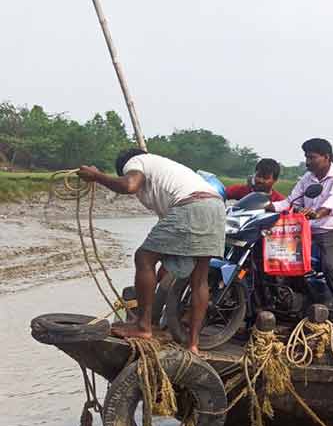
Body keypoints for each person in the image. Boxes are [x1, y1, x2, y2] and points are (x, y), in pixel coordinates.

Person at [76, 149, 225, 353]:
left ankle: (143, 326)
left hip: (191, 205)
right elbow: (171, 234)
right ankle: (192, 344)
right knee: (199, 278)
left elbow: (129, 185)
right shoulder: (165, 170)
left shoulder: (136, 162)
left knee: (144, 258)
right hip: (216, 207)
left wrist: (97, 176)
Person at [271, 138, 333, 330]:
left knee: (330, 266)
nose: (308, 162)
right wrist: (265, 206)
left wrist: (318, 213)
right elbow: (290, 201)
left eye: (312, 157)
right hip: (307, 230)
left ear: (326, 157)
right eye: (306, 157)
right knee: (282, 259)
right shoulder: (307, 178)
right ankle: (301, 306)